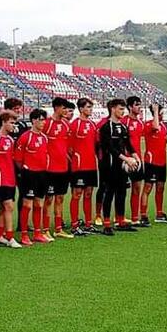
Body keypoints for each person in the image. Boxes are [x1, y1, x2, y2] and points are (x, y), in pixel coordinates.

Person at [99, 99, 140, 235]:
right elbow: (110, 148)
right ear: (112, 109)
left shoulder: (123, 127)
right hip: (110, 165)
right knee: (109, 193)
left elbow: (128, 144)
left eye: (123, 109)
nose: (123, 112)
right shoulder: (106, 127)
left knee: (121, 192)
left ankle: (120, 221)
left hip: (122, 166)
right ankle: (106, 224)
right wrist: (126, 158)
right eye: (120, 109)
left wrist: (135, 156)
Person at [15, 108, 50, 244]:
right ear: (34, 120)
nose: (43, 122)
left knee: (38, 204)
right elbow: (18, 159)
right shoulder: (25, 137)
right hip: (29, 174)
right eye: (41, 120)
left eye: (44, 120)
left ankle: (37, 233)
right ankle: (24, 235)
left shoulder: (44, 137)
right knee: (27, 205)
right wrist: (26, 170)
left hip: (42, 174)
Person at [0, 111, 22, 248]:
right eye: (11, 123)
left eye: (14, 123)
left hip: (10, 178)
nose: (13, 126)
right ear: (3, 122)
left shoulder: (11, 140)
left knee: (3, 208)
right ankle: (10, 237)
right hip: (0, 178)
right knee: (9, 207)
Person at [43, 98, 74, 239]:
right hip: (50, 169)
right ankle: (44, 230)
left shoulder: (66, 125)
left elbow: (67, 146)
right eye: (63, 108)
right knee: (48, 199)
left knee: (60, 198)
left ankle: (58, 228)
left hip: (63, 168)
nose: (66, 111)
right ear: (56, 108)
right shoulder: (47, 124)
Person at [68, 97, 100, 234]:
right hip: (79, 166)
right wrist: (75, 160)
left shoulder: (93, 125)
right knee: (77, 194)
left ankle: (88, 223)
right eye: (88, 107)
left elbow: (96, 145)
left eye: (91, 107)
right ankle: (75, 225)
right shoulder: (74, 125)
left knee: (88, 194)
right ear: (81, 109)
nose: (90, 110)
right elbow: (69, 147)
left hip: (91, 165)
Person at [139, 103, 167, 225]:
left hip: (162, 162)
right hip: (151, 162)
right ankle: (143, 215)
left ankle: (159, 213)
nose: (163, 114)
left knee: (160, 188)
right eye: (160, 112)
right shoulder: (149, 125)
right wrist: (156, 110)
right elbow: (155, 126)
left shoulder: (164, 126)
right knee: (148, 188)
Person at [5, 97, 30, 233]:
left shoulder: (21, 125)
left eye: (19, 109)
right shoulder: (5, 126)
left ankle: (22, 223)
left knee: (23, 193)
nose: (18, 111)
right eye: (15, 109)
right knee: (7, 197)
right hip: (9, 165)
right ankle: (3, 227)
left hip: (20, 165)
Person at [122, 96, 145, 225]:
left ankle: (135, 218)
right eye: (136, 105)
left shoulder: (140, 123)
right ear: (130, 107)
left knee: (136, 188)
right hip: (125, 161)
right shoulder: (124, 122)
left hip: (137, 161)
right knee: (121, 190)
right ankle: (120, 217)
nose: (139, 107)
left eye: (140, 105)